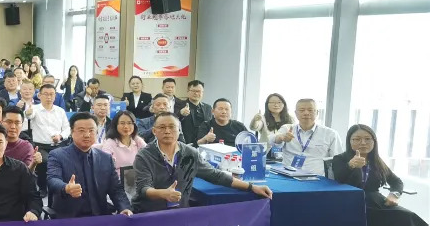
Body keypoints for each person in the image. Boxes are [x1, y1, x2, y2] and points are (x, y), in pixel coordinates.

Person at [133, 113, 272, 212]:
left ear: (179, 130)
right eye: (162, 127)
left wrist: (252, 187)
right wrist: (164, 194)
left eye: (172, 127)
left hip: (180, 211)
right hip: (149, 213)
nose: (167, 131)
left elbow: (216, 175)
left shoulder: (190, 153)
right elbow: (143, 189)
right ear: (154, 131)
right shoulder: (144, 156)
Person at [271, 99, 343, 175]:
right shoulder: (287, 129)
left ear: (317, 113)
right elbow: (271, 140)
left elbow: (337, 160)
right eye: (302, 110)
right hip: (287, 176)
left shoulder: (330, 134)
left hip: (316, 178)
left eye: (310, 110)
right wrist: (281, 138)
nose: (306, 113)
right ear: (296, 113)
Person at [31, 84, 71, 189]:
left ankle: (60, 187)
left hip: (58, 145)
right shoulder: (34, 109)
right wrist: (28, 110)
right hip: (40, 146)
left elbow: (67, 129)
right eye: (46, 94)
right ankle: (43, 188)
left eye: (51, 94)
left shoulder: (60, 111)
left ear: (55, 96)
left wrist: (60, 136)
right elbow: (28, 115)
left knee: (64, 161)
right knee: (45, 162)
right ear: (39, 95)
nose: (49, 97)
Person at [175, 80, 211, 146]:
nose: (196, 93)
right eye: (193, 91)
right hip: (186, 143)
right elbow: (173, 119)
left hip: (204, 143)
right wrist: (181, 113)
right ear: (188, 91)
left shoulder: (208, 107)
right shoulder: (179, 104)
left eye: (199, 91)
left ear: (202, 92)